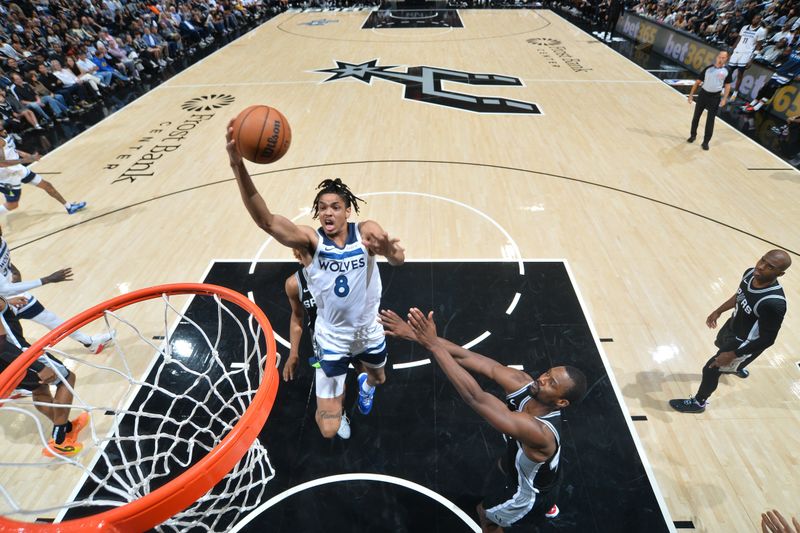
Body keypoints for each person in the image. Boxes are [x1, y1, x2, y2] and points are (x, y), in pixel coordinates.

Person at [226, 122, 405, 440]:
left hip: (367, 330)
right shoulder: (310, 243)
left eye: (335, 206)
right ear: (317, 215)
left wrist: (390, 251)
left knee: (378, 378)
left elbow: (393, 255)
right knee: (327, 428)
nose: (328, 212)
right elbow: (266, 220)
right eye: (322, 208)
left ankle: (365, 385)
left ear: (347, 211)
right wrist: (237, 165)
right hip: (331, 338)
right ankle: (341, 404)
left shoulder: (364, 230)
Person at [380, 308, 587, 532]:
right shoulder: (523, 383)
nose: (542, 379)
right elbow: (465, 356)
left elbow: (475, 397)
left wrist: (433, 345)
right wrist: (414, 334)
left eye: (552, 383)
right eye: (547, 373)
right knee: (508, 466)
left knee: (484, 514)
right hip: (547, 476)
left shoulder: (537, 431)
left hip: (526, 494)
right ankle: (548, 505)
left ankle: (528, 511)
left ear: (561, 403)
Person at [670, 250, 791, 413]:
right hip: (733, 326)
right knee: (719, 344)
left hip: (745, 341)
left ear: (780, 273)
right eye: (762, 260)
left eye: (770, 267)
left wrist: (734, 354)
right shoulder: (750, 273)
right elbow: (740, 295)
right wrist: (719, 310)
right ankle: (736, 366)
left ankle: (699, 403)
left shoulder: (773, 303)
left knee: (710, 368)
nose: (761, 267)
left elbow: (768, 339)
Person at [0, 224, 113, 352]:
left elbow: (7, 263)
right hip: (2, 303)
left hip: (13, 296)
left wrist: (15, 273)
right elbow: (6, 289)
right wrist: (47, 279)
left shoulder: (2, 242)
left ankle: (89, 342)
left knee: (49, 318)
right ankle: (37, 370)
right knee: (16, 346)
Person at [0, 296, 89, 457]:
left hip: (4, 365)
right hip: (19, 355)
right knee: (67, 379)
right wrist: (38, 366)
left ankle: (68, 429)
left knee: (40, 389)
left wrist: (6, 302)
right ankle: (59, 441)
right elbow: (1, 345)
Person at [0, 125, 87, 215]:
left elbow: (11, 149)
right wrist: (26, 160)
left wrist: (28, 156)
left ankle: (69, 207)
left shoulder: (4, 134)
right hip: (6, 177)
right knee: (13, 204)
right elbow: (1, 163)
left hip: (18, 169)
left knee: (47, 185)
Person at [687, 51, 732, 151]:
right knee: (696, 117)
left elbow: (728, 86)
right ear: (717, 57)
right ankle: (693, 135)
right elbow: (698, 82)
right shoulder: (708, 69)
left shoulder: (727, 71)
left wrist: (724, 99)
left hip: (715, 97)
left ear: (726, 59)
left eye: (723, 58)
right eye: (720, 57)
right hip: (703, 94)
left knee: (710, 120)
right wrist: (690, 95)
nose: (721, 59)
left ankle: (706, 142)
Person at [727, 14, 767, 101]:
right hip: (737, 52)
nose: (754, 20)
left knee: (740, 74)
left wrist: (751, 60)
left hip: (746, 54)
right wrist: (731, 51)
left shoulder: (761, 31)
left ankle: (735, 93)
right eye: (754, 18)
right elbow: (738, 40)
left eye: (757, 18)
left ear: (760, 21)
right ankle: (724, 88)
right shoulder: (745, 27)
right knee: (729, 71)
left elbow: (758, 46)